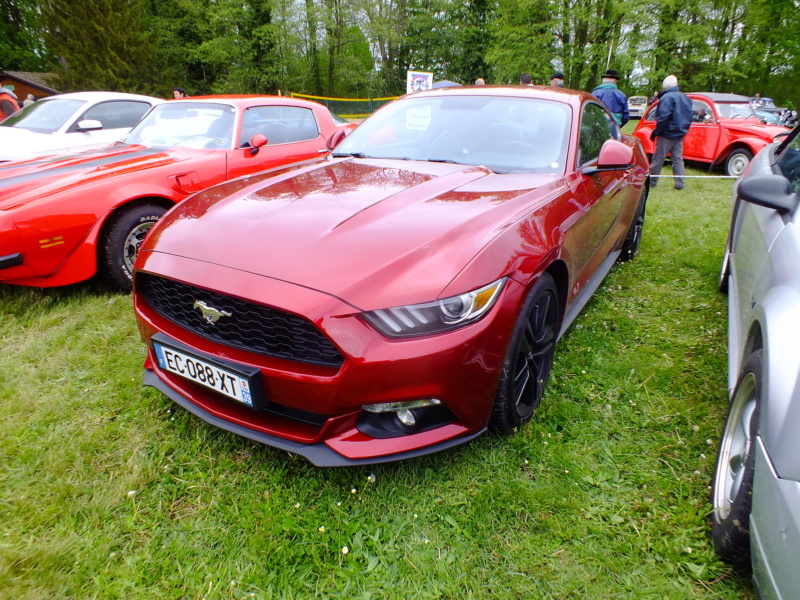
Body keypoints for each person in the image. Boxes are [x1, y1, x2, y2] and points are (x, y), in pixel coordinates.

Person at [649, 74, 693, 191]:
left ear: (665, 87)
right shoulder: (686, 98)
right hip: (680, 133)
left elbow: (663, 117)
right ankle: (680, 183)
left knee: (658, 158)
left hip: (667, 133)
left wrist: (656, 132)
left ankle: (651, 182)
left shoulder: (667, 98)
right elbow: (689, 116)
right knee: (678, 159)